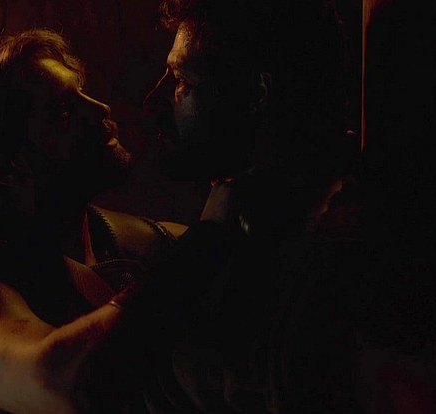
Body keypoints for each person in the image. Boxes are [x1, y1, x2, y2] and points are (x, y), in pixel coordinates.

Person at [0, 28, 186, 414]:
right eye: (62, 111)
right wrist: (194, 262)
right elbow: (57, 381)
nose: (99, 109)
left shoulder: (141, 241)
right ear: (4, 166)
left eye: (82, 92)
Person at [138, 0, 368, 412]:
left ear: (256, 92)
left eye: (182, 80)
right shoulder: (255, 214)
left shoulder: (331, 252)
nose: (153, 100)